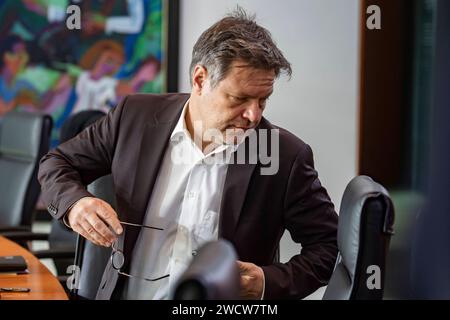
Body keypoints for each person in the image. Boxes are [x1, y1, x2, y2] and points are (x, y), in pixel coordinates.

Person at [38, 9, 338, 300]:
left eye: (263, 100)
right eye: (240, 98)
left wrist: (266, 283)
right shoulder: (134, 117)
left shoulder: (285, 156)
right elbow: (57, 163)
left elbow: (328, 245)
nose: (253, 114)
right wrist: (75, 204)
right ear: (199, 79)